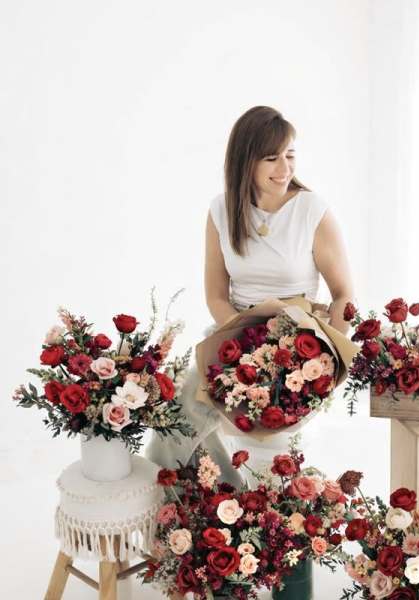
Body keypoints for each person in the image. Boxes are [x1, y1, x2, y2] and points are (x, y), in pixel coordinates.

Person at [146, 105, 353, 484]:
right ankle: (208, 499)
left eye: (290, 155)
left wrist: (330, 358)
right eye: (272, 158)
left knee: (263, 418)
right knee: (180, 409)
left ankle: (248, 497)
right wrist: (244, 342)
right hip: (235, 333)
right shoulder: (221, 211)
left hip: (299, 342)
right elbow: (216, 295)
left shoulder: (312, 210)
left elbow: (343, 294)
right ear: (246, 161)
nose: (285, 168)